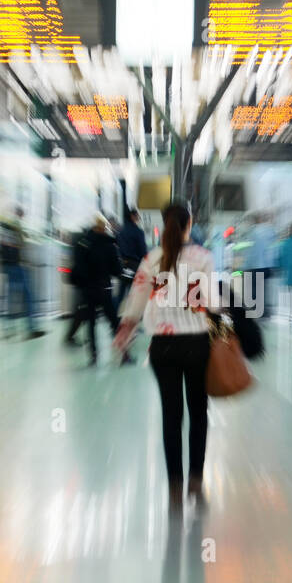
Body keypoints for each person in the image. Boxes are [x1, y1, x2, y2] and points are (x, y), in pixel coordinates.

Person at [115, 200, 214, 510]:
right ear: (189, 224)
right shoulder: (203, 258)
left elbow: (137, 301)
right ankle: (196, 484)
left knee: (172, 417)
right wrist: (228, 340)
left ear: (164, 222)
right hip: (198, 344)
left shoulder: (151, 259)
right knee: (198, 414)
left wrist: (125, 331)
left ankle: (174, 487)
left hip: (164, 347)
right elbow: (212, 305)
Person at [66, 214, 127, 366]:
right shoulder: (109, 245)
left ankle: (93, 356)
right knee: (114, 322)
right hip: (104, 288)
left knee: (91, 323)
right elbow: (116, 270)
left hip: (87, 290)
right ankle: (124, 354)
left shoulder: (82, 244)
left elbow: (78, 268)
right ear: (104, 228)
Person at [0, 207, 45, 339]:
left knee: (10, 297)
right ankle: (32, 328)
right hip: (17, 265)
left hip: (7, 266)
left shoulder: (6, 226)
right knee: (28, 296)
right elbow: (20, 244)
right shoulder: (15, 225)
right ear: (20, 214)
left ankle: (7, 329)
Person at [243, 211, 277, 318]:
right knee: (263, 289)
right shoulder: (271, 231)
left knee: (253, 290)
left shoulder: (253, 233)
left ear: (252, 221)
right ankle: (265, 313)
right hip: (267, 266)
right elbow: (274, 249)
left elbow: (251, 252)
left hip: (255, 266)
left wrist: (244, 267)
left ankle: (254, 312)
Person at [115, 207, 147, 309]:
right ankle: (133, 314)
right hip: (135, 265)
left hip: (122, 264)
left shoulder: (120, 231)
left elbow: (117, 246)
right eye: (137, 215)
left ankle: (115, 313)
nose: (138, 217)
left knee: (121, 291)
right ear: (132, 216)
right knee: (136, 291)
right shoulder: (138, 232)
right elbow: (143, 251)